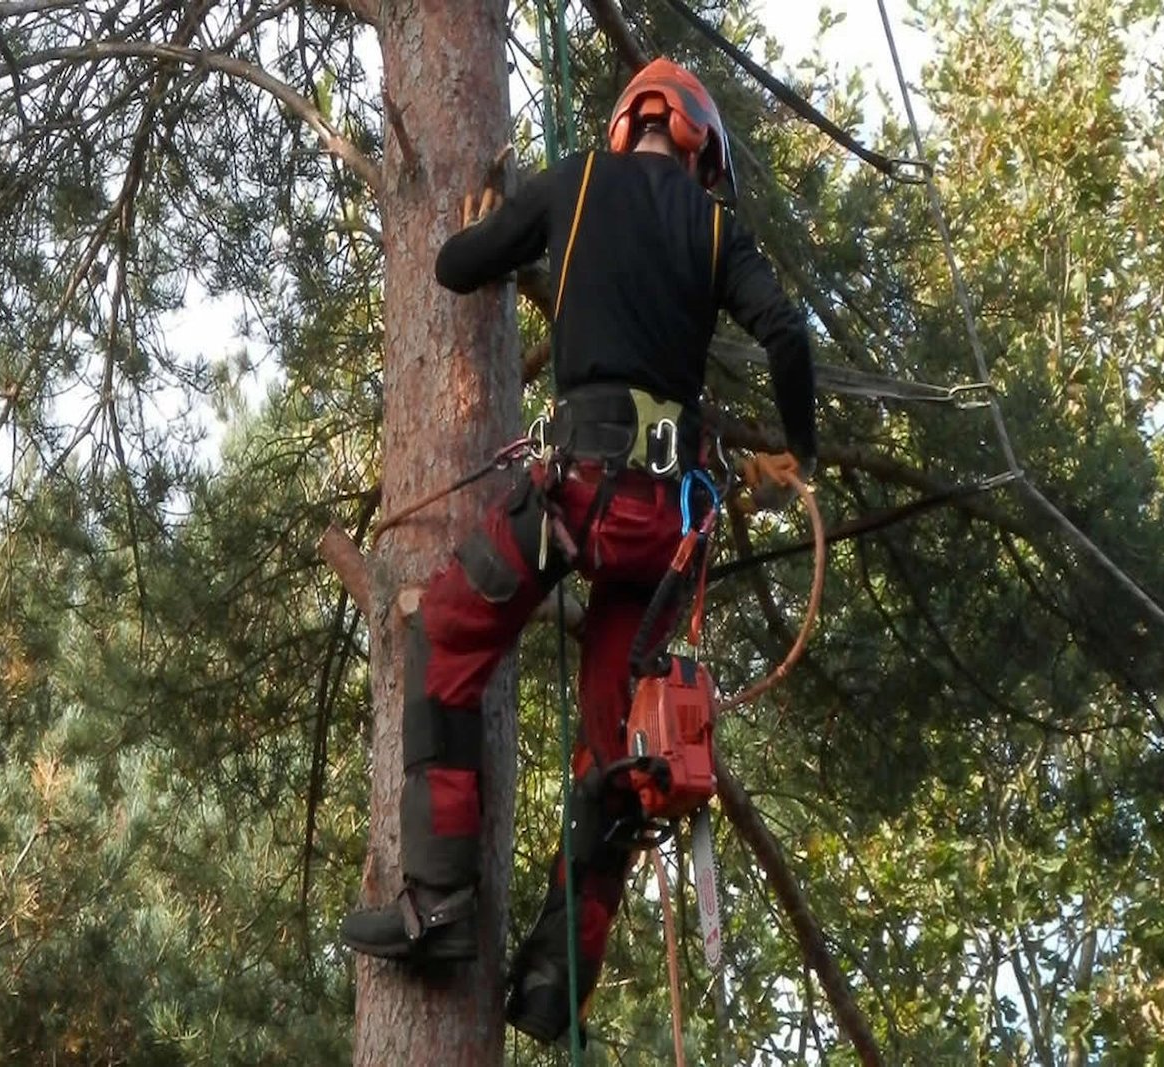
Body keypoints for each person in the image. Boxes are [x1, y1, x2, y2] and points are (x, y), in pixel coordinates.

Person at [340, 57, 817, 1044]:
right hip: (666, 531)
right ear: (701, 148)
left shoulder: (575, 182)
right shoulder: (715, 227)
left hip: (579, 497)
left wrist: (504, 236)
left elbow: (454, 267)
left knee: (447, 637)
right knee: (615, 751)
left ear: (630, 123)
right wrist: (799, 455)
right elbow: (786, 332)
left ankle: (439, 904)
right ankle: (558, 977)